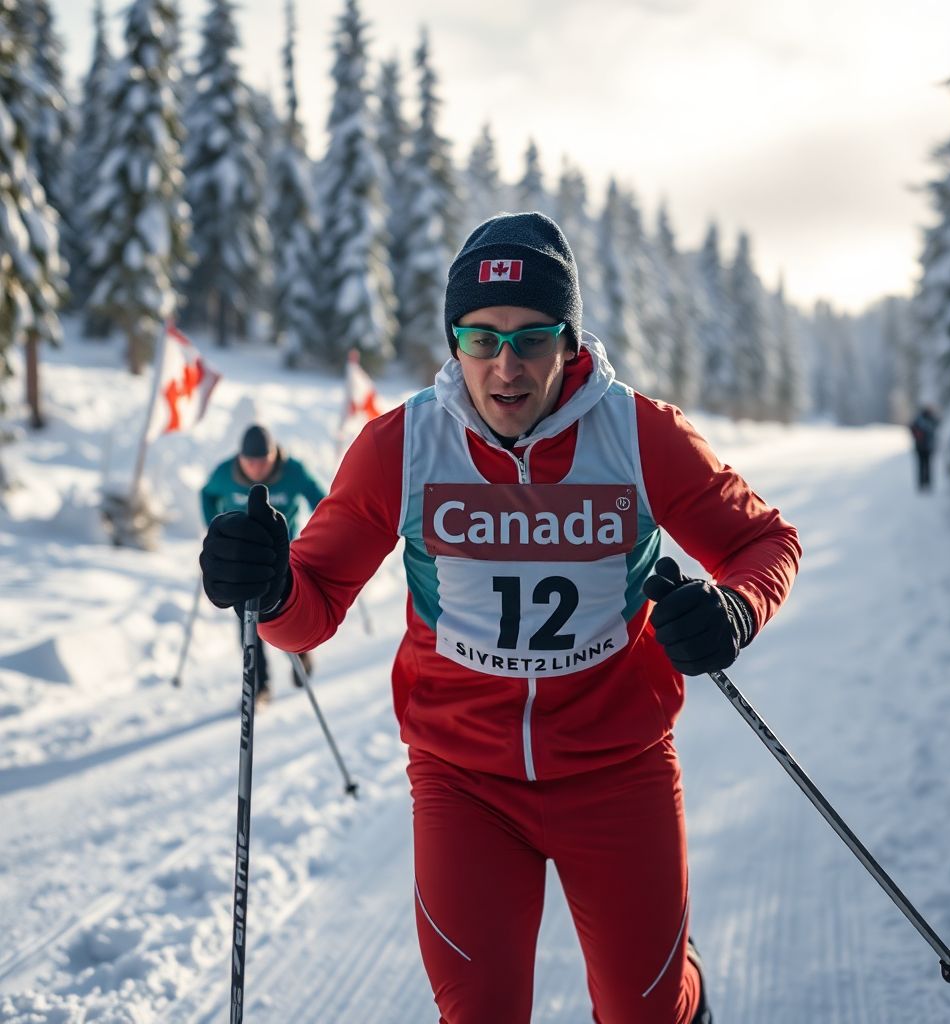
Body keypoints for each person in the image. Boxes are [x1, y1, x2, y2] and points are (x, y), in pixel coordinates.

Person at [199, 213, 801, 1023]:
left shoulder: (639, 435)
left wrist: (735, 607)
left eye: (531, 339)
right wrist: (268, 588)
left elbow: (765, 542)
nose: (505, 366)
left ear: (570, 342)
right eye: (480, 339)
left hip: (618, 772)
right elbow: (309, 612)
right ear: (455, 343)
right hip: (464, 781)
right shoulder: (404, 447)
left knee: (646, 1010)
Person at [200, 423, 326, 701]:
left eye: (263, 461)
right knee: (248, 624)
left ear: (274, 455)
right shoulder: (225, 473)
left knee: (287, 617)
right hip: (242, 563)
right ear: (240, 458)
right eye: (250, 462)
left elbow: (322, 502)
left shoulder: (293, 471)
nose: (256, 468)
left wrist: (321, 535)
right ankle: (260, 687)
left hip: (285, 560)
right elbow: (207, 494)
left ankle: (301, 653)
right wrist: (215, 530)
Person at [909, 405, 939, 492]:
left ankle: (923, 483)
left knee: (923, 465)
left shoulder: (919, 419)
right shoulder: (929, 419)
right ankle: (926, 483)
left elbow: (911, 429)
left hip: (922, 446)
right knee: (926, 465)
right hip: (926, 447)